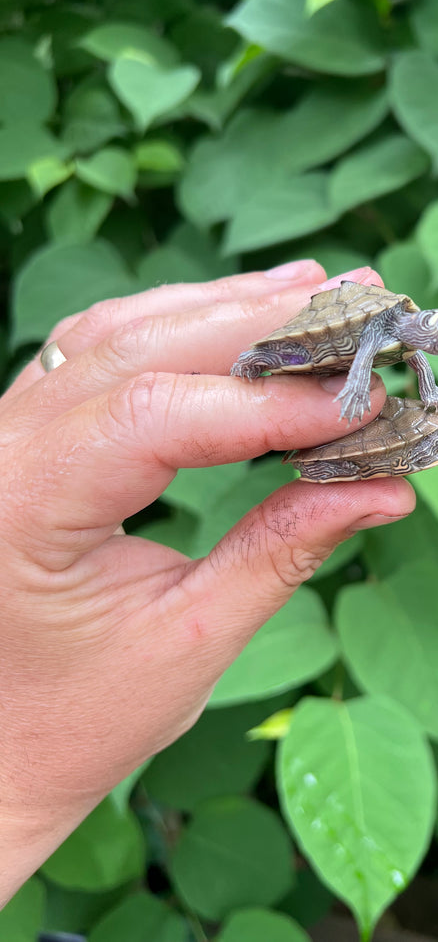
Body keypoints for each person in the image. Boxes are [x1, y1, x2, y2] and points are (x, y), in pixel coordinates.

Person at [0, 260, 415, 907]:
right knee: (284, 366)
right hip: (327, 356)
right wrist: (15, 797)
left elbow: (409, 356)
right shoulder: (378, 328)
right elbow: (365, 349)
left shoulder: (409, 341)